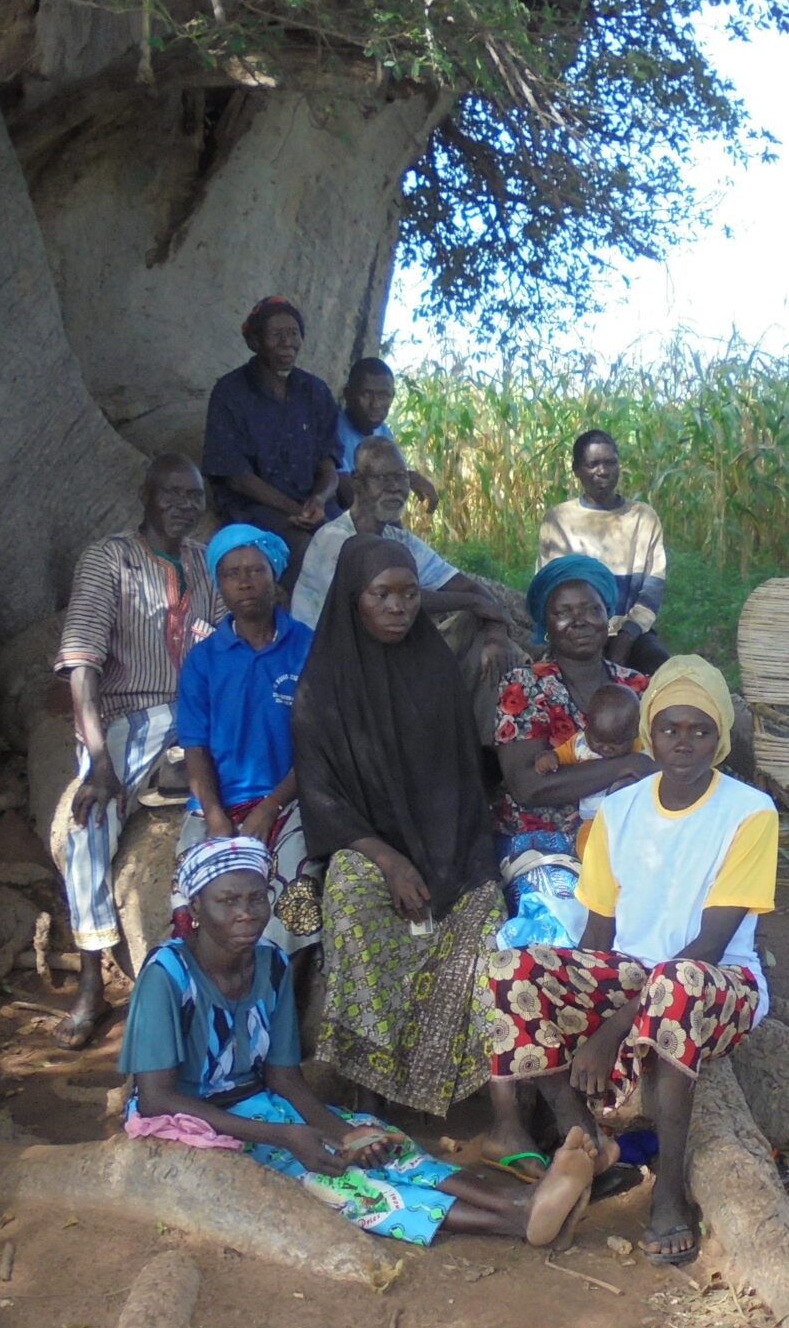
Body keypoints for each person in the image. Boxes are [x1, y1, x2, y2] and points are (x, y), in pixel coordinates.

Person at [119, 837, 589, 1246]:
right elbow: (158, 1097)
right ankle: (514, 1221)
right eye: (227, 902)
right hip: (191, 1122)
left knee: (382, 1144)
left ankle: (523, 1200)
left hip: (260, 1106)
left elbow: (283, 1076)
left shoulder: (271, 963)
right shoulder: (168, 975)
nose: (246, 914)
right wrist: (287, 1136)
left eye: (256, 899)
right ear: (196, 908)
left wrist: (340, 1131)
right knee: (336, 1181)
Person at [478, 657, 776, 1266]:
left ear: (720, 737)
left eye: (700, 729)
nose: (684, 742)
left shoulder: (750, 813)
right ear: (650, 734)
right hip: (635, 974)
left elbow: (712, 946)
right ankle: (584, 1136)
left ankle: (669, 1193)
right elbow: (599, 937)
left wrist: (610, 1032)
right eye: (670, 728)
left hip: (716, 983)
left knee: (679, 980)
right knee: (509, 969)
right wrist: (588, 1008)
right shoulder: (619, 811)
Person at [293, 534, 507, 1115]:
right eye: (381, 594)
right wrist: (390, 861)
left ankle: (467, 1101)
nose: (398, 608)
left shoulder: (433, 665)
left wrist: (447, 866)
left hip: (452, 847)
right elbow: (322, 794)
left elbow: (462, 781)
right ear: (352, 599)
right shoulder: (323, 684)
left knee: (484, 922)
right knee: (350, 901)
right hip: (366, 844)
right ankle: (368, 1088)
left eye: (411, 595)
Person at [52, 455, 220, 1047]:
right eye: (171, 492)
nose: (184, 504)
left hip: (198, 713)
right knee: (87, 823)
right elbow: (81, 665)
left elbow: (226, 647)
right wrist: (97, 761)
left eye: (194, 494)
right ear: (144, 496)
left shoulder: (208, 563)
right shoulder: (110, 560)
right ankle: (92, 981)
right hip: (134, 715)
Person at [291, 436, 524, 727]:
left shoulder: (398, 540)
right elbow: (388, 600)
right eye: (383, 478)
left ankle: (500, 745)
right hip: (338, 667)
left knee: (480, 637)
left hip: (386, 655)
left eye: (401, 477)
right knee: (477, 637)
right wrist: (475, 603)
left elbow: (469, 588)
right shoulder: (335, 540)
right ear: (358, 482)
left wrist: (496, 634)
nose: (395, 487)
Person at [176, 524, 319, 951]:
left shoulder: (307, 647)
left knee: (296, 896)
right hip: (217, 804)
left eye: (255, 570)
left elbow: (317, 743)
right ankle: (212, 1009)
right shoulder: (203, 661)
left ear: (273, 574)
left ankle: (278, 1001)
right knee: (192, 902)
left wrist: (271, 807)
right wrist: (216, 816)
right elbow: (195, 747)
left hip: (291, 797)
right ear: (219, 584)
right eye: (231, 573)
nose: (244, 581)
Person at [490, 555, 654, 856]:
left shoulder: (639, 686)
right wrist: (627, 765)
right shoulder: (525, 685)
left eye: (593, 609)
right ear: (546, 624)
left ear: (608, 616)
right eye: (563, 612)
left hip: (629, 840)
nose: (580, 621)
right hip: (542, 844)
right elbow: (527, 786)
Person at [201, 296, 338, 569]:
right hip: (255, 508)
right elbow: (238, 479)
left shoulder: (315, 391)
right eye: (276, 334)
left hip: (309, 504)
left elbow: (329, 461)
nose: (287, 342)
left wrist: (319, 499)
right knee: (304, 554)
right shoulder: (230, 392)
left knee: (353, 544)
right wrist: (294, 509)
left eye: (293, 333)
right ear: (255, 342)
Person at [538, 429, 669, 672]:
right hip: (576, 632)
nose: (603, 471)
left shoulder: (643, 518)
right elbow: (553, 590)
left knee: (664, 673)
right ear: (577, 470)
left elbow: (653, 588)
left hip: (631, 631)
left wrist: (627, 636)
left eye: (610, 462)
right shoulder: (559, 520)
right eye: (593, 464)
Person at [332, 357, 437, 512]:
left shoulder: (384, 433)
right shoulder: (334, 430)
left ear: (392, 396)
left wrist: (406, 478)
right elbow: (349, 495)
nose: (376, 404)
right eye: (367, 394)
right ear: (348, 394)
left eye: (384, 396)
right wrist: (405, 480)